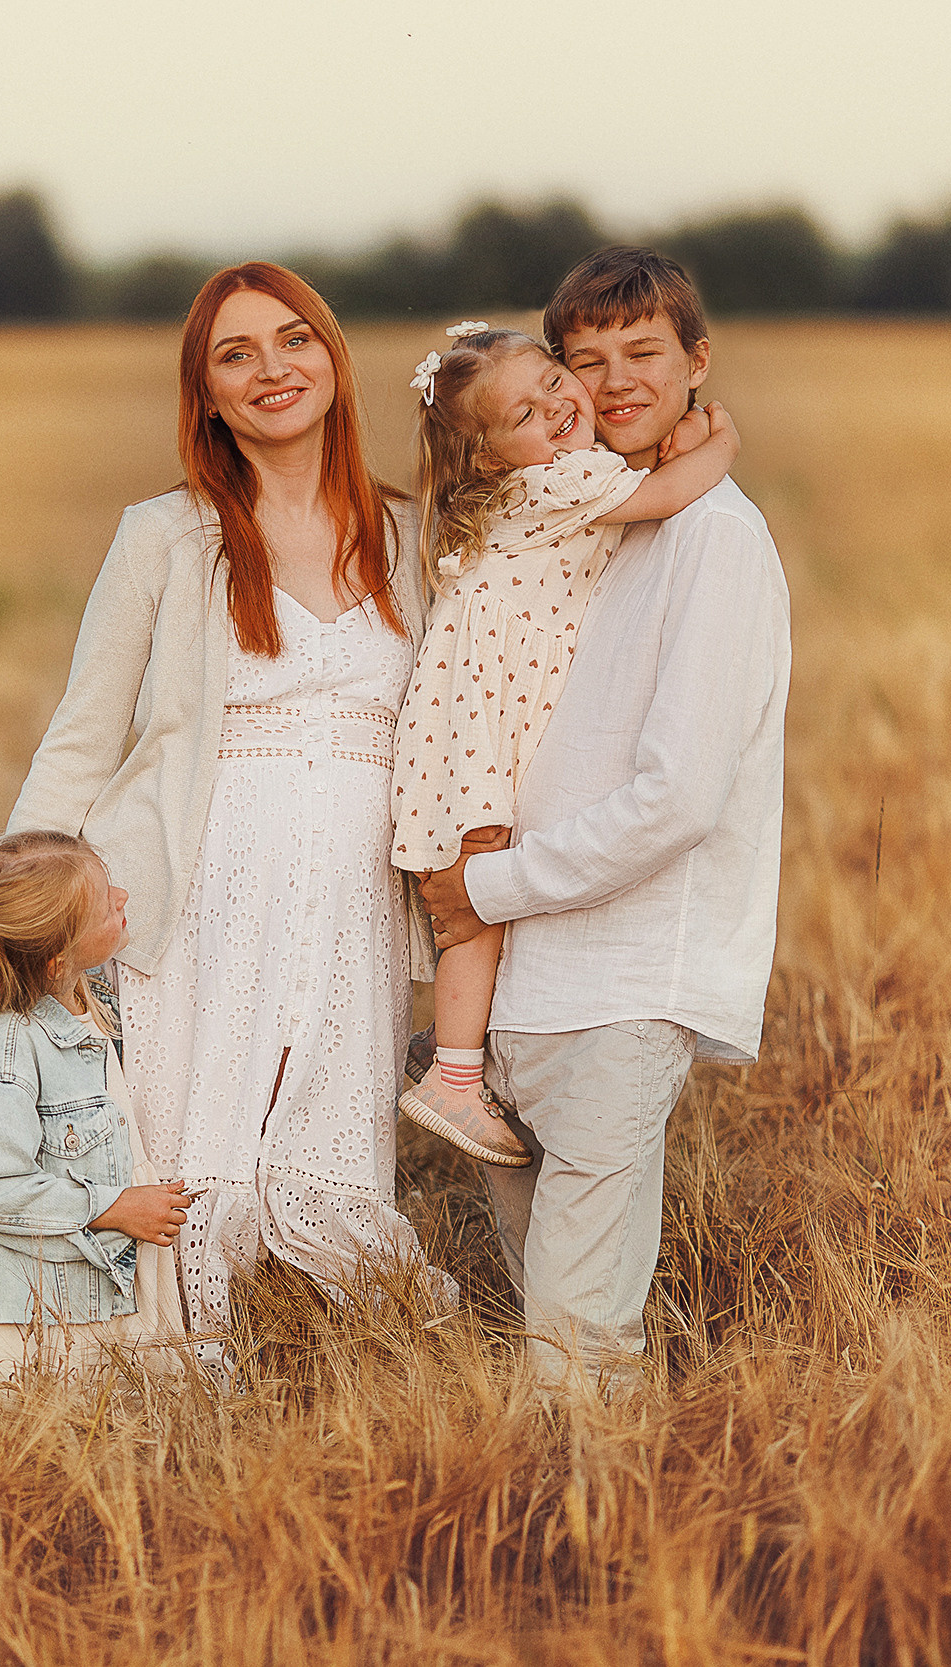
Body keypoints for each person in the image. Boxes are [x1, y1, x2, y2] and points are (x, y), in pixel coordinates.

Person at [7, 262, 454, 1351]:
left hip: (352, 890)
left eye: (294, 340)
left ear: (333, 359)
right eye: (235, 355)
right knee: (185, 1137)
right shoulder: (165, 533)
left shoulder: (410, 534)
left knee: (327, 1133)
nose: (272, 370)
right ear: (204, 395)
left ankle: (317, 1333)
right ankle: (170, 1336)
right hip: (200, 878)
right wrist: (11, 905)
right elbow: (85, 727)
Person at [417, 248, 791, 1396]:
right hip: (526, 988)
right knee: (550, 1311)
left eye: (643, 353)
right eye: (587, 359)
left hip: (618, 987)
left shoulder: (712, 540)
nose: (613, 381)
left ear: (697, 363)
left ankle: (598, 1551)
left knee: (576, 1336)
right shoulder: (593, 516)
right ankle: (562, 1544)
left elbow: (678, 797)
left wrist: (486, 891)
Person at [389, 322, 740, 1167]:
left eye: (554, 383)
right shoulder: (561, 482)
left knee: (475, 883)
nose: (558, 408)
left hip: (470, 705)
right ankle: (456, 1076)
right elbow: (663, 493)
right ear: (488, 457)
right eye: (525, 414)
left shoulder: (537, 482)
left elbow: (640, 476)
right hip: (486, 717)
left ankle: (457, 1043)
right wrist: (719, 437)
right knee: (477, 881)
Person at [0, 830, 193, 1387]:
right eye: (102, 901)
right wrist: (111, 1209)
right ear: (55, 957)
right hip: (44, 1309)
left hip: (92, 1287)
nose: (122, 896)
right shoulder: (3, 1055)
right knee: (59, 1419)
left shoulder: (87, 1003)